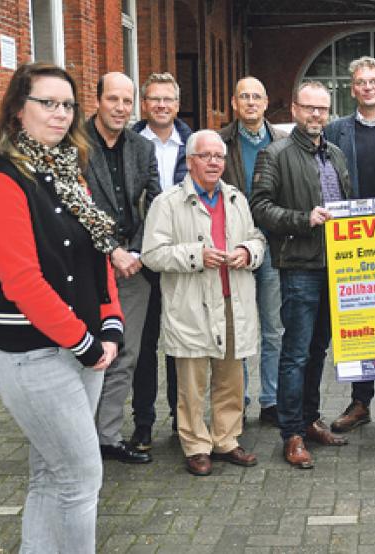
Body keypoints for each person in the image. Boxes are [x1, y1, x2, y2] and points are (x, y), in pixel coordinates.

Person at [0, 62, 122, 553]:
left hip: (86, 350)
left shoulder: (67, 175)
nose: (60, 114)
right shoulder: (0, 181)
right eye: (47, 103)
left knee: (49, 477)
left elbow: (98, 255)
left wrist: (111, 326)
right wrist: (82, 341)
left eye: (68, 105)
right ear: (18, 110)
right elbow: (22, 281)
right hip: (36, 355)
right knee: (80, 479)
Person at [141, 129, 265, 476]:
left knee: (231, 377)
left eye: (219, 157)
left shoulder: (237, 199)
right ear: (190, 161)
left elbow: (257, 239)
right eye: (206, 156)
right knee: (192, 382)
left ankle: (226, 438)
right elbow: (152, 254)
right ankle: (195, 444)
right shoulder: (167, 203)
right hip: (191, 305)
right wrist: (196, 255)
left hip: (231, 299)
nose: (214, 163)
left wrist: (247, 252)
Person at [250, 80, 352, 469]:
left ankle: (310, 421)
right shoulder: (274, 154)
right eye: (309, 108)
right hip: (299, 267)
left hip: (335, 268)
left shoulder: (337, 155)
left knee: (317, 351)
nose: (316, 115)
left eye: (322, 109)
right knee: (294, 352)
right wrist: (303, 220)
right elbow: (259, 208)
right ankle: (291, 433)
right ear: (294, 110)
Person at [83, 72, 161, 465]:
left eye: (127, 101)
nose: (120, 108)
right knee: (82, 353)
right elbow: (70, 210)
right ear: (97, 100)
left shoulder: (142, 148)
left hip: (133, 266)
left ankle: (107, 437)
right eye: (112, 99)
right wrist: (110, 249)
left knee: (124, 353)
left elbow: (157, 205)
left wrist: (136, 251)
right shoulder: (72, 146)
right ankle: (77, 435)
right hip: (84, 267)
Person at [324, 55, 375, 434]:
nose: (368, 87)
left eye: (374, 80)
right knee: (358, 321)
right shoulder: (335, 130)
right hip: (352, 243)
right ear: (352, 88)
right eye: (361, 82)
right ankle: (360, 401)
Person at [217, 76, 288, 426]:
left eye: (256, 97)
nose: (250, 102)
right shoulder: (220, 142)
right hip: (235, 248)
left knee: (273, 327)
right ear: (234, 103)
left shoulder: (281, 142)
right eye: (243, 96)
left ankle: (272, 399)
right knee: (239, 327)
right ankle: (239, 399)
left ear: (265, 102)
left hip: (273, 246)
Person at [130, 72, 193, 449]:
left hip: (182, 256)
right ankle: (143, 421)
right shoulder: (131, 143)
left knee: (180, 344)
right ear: (145, 104)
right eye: (155, 99)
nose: (162, 105)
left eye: (168, 99)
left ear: (177, 104)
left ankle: (180, 419)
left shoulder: (195, 143)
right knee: (143, 343)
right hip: (142, 255)